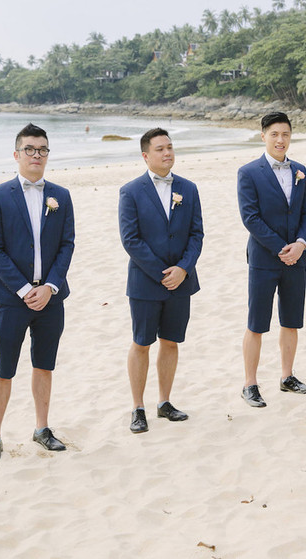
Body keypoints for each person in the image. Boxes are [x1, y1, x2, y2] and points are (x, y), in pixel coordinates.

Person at [0, 123, 75, 471]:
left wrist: (49, 286)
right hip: (11, 297)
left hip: (51, 297)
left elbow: (67, 245)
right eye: (30, 149)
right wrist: (24, 289)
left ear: (48, 154)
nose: (37, 155)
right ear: (16, 154)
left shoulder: (61, 196)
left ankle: (42, 427)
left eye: (43, 150)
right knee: (4, 368)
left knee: (44, 364)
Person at [119, 128, 203, 433]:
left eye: (170, 147)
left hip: (181, 281)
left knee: (171, 342)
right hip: (145, 282)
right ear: (145, 156)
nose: (167, 153)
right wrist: (161, 273)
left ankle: (165, 402)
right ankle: (137, 407)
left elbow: (197, 234)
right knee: (142, 343)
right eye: (159, 149)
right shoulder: (131, 191)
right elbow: (131, 240)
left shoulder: (189, 189)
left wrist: (182, 269)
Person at [237, 111, 306, 408]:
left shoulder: (301, 171)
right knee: (256, 323)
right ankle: (250, 384)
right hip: (264, 258)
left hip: (297, 257)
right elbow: (250, 218)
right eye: (274, 135)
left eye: (285, 134)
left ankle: (287, 377)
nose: (280, 140)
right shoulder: (249, 172)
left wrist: (301, 245)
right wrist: (283, 248)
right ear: (263, 137)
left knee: (291, 320)